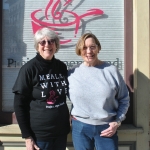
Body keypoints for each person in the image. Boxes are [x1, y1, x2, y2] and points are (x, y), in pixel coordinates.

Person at [68, 33, 130, 150]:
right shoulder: (72, 73)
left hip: (106, 128)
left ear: (98, 48)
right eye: (84, 48)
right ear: (79, 50)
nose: (89, 51)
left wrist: (117, 121)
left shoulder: (111, 71)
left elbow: (124, 99)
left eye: (92, 47)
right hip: (80, 128)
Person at [12, 27, 70, 150]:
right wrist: (27, 136)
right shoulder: (29, 69)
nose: (47, 45)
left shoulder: (61, 67)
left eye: (51, 41)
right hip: (40, 136)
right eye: (42, 42)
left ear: (56, 45)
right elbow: (19, 104)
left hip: (61, 133)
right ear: (37, 46)